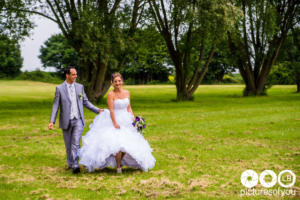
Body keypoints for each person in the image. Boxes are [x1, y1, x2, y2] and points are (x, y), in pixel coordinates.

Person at [79, 72, 155, 173]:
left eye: (119, 81)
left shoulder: (127, 92)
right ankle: (119, 167)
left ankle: (124, 162)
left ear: (122, 81)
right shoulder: (111, 94)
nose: (117, 83)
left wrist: (134, 120)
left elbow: (129, 107)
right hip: (115, 119)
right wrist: (114, 123)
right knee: (117, 144)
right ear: (112, 83)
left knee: (127, 143)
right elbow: (111, 110)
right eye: (115, 81)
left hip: (126, 119)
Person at [48, 66, 103, 174]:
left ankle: (75, 165)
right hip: (66, 120)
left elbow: (85, 102)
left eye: (76, 74)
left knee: (75, 143)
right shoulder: (59, 89)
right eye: (73, 74)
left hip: (78, 119)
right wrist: (52, 121)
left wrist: (97, 110)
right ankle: (70, 163)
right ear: (67, 75)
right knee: (68, 144)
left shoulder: (80, 87)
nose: (75, 76)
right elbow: (55, 106)